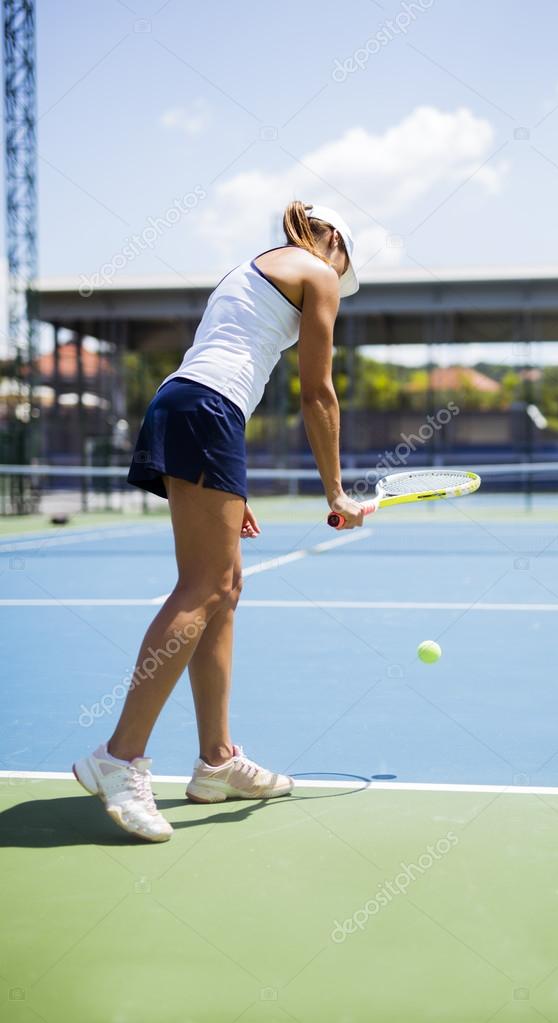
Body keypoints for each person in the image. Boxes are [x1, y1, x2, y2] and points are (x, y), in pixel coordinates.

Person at [73, 202, 364, 842]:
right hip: (207, 409)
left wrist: (230, 488)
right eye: (345, 268)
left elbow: (225, 364)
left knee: (226, 588)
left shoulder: (253, 268)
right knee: (203, 587)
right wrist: (337, 491)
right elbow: (317, 391)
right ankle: (118, 758)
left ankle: (216, 761)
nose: (340, 282)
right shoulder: (315, 274)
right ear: (334, 243)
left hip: (194, 405)